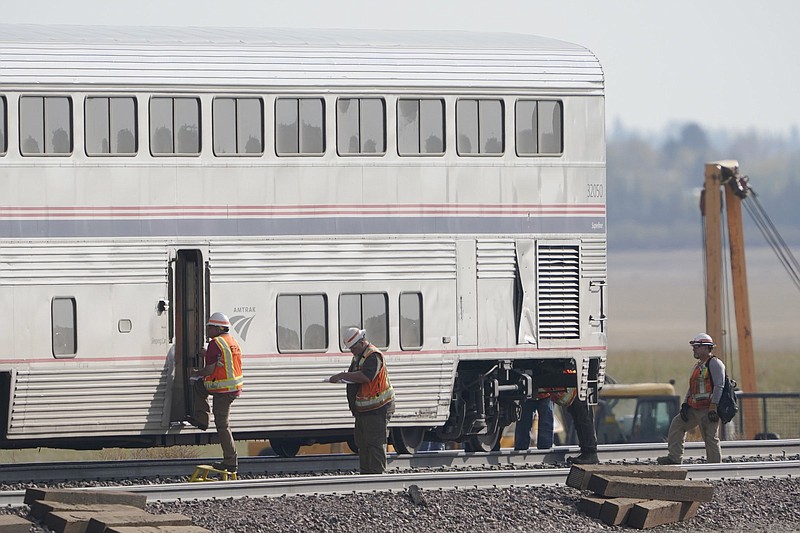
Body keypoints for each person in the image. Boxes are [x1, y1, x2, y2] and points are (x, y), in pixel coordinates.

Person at [328, 327, 395, 474]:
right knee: (363, 444)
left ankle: (377, 476)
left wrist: (341, 376)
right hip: (364, 409)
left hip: (378, 407)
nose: (352, 351)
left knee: (375, 443)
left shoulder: (373, 355)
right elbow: (354, 375)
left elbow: (366, 376)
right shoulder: (359, 356)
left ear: (362, 342)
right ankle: (366, 475)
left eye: (353, 348)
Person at [187, 312, 243, 473]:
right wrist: (207, 355)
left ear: (217, 328)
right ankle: (203, 419)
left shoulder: (215, 343)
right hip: (232, 387)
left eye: (209, 327)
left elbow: (210, 369)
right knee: (200, 386)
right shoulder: (231, 341)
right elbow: (223, 360)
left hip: (223, 389)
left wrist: (197, 372)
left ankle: (230, 461)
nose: (207, 331)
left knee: (223, 425)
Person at [658, 333, 724, 465]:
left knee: (710, 437)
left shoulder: (715, 364)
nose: (694, 349)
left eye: (697, 346)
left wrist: (714, 406)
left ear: (706, 348)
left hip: (708, 409)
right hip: (694, 408)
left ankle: (715, 465)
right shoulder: (698, 366)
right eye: (694, 346)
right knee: (677, 425)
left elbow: (719, 386)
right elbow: (692, 387)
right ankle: (674, 458)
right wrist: (685, 404)